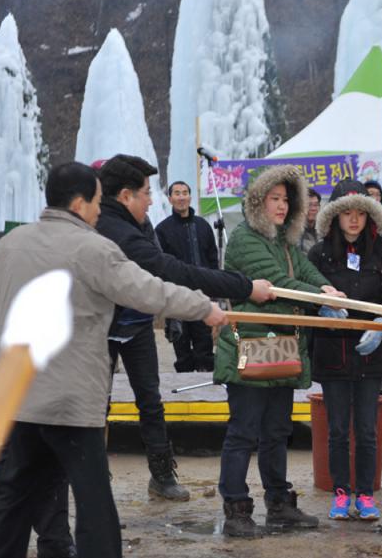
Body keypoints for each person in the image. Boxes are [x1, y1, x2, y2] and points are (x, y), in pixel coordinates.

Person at [0, 161, 227, 558]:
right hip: (71, 399)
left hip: (21, 395)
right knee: (94, 502)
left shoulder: (13, 243)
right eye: (95, 202)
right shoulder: (92, 248)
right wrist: (203, 307)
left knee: (15, 497)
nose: (98, 211)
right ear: (79, 202)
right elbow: (149, 292)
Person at [96, 154, 275, 502]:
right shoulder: (112, 231)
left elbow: (169, 269)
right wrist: (243, 287)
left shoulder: (138, 224)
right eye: (147, 193)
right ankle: (96, 483)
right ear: (125, 195)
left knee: (150, 401)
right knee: (96, 404)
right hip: (101, 329)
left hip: (136, 326)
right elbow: (170, 270)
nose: (152, 201)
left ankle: (162, 474)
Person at [213, 164, 346, 538]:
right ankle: (236, 508)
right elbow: (277, 284)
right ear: (259, 202)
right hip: (248, 350)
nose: (282, 206)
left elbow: (303, 270)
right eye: (274, 199)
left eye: (286, 200)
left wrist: (326, 288)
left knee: (276, 431)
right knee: (243, 432)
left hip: (280, 350)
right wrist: (319, 298)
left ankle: (279, 504)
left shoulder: (283, 242)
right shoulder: (245, 240)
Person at [308, 180, 382, 521]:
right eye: (347, 213)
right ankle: (341, 492)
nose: (354, 219)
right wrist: (322, 308)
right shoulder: (319, 253)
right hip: (333, 353)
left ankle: (365, 493)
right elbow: (306, 296)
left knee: (366, 430)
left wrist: (381, 323)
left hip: (371, 354)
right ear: (335, 216)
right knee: (336, 430)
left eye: (360, 212)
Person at [154, 180, 220, 372]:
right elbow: (160, 265)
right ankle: (183, 383)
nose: (181, 197)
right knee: (181, 349)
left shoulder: (203, 226)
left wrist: (215, 289)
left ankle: (206, 382)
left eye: (185, 193)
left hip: (202, 294)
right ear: (170, 199)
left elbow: (212, 259)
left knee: (204, 347)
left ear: (190, 197)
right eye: (177, 193)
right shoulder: (162, 230)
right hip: (177, 297)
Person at [299, 187, 322, 254]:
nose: (313, 209)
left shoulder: (323, 230)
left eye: (316, 205)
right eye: (309, 205)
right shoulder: (294, 233)